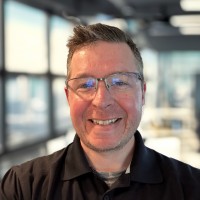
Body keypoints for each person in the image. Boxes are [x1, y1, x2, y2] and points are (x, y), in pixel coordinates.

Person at [0, 23, 200, 200]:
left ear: (142, 93)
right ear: (68, 97)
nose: (101, 101)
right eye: (86, 85)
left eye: (120, 82)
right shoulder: (23, 187)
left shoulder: (192, 188)